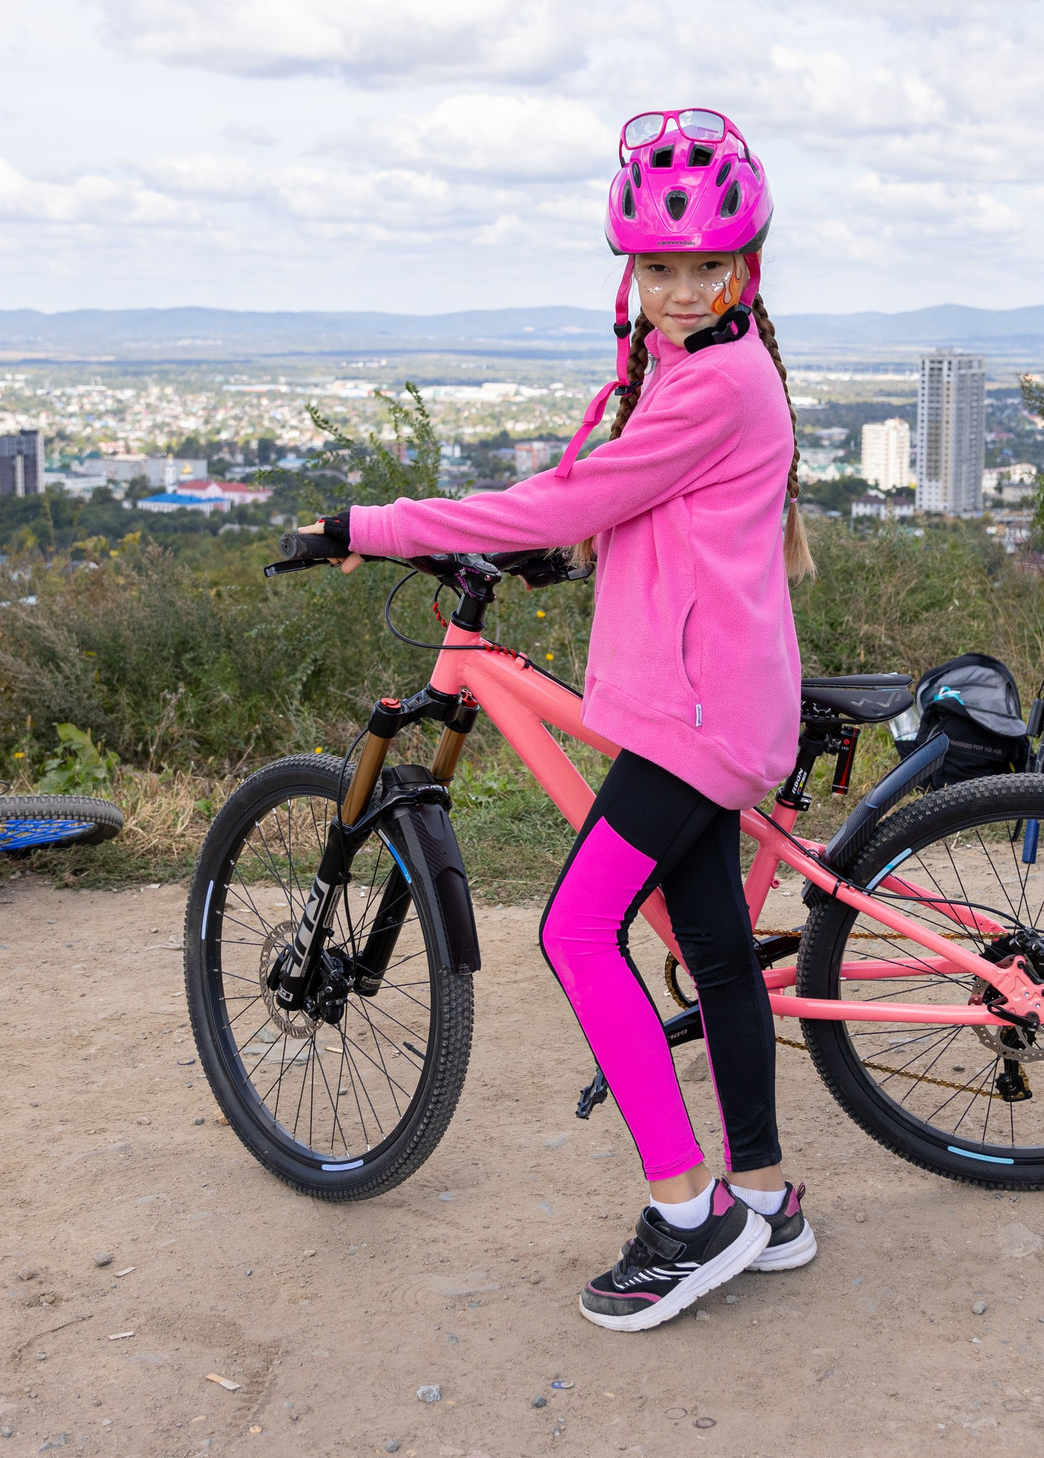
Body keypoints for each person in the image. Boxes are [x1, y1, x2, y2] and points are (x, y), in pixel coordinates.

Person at [302, 108, 815, 1331]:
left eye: (703, 266)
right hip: (707, 702)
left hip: (697, 718)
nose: (679, 289)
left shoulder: (714, 382)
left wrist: (373, 524)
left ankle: (686, 1218)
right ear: (631, 271)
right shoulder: (699, 365)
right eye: (657, 267)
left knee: (578, 933)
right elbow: (639, 508)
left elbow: (567, 497)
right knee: (716, 948)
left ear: (743, 268)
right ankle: (763, 1198)